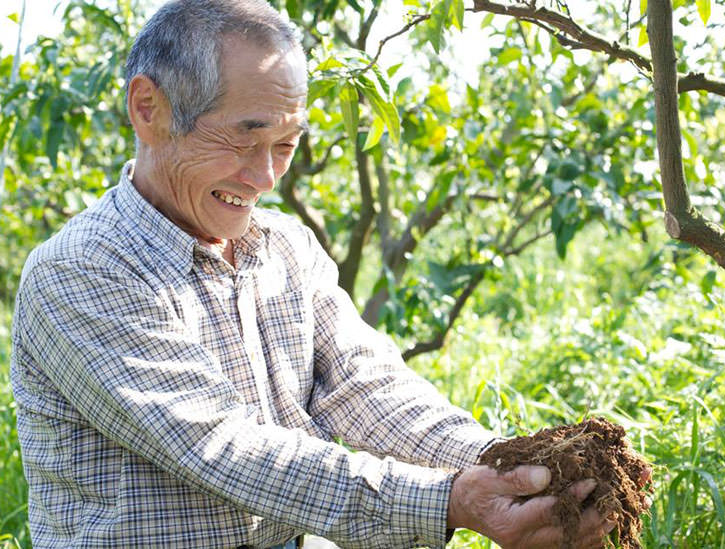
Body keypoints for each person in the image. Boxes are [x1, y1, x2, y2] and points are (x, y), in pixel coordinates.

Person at [10, 1, 619, 547]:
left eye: (285, 145)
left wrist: (511, 465)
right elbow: (220, 447)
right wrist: (449, 502)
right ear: (149, 109)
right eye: (244, 139)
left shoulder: (285, 248)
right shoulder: (82, 270)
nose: (265, 178)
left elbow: (364, 384)